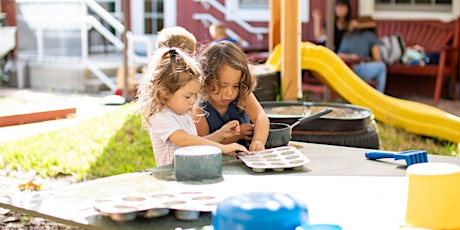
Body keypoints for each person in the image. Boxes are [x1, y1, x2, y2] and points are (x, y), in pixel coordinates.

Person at [137, 47, 249, 166]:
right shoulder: (161, 116)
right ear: (165, 94)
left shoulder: (182, 114)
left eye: (196, 95)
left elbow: (195, 144)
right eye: (188, 96)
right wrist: (222, 148)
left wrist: (220, 135)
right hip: (172, 178)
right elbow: (184, 140)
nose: (193, 100)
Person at [193, 41, 270, 151]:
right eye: (223, 86)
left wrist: (258, 141)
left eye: (236, 85)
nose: (229, 93)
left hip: (246, 157)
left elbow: (260, 116)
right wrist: (237, 136)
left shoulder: (242, 94)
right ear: (207, 80)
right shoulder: (200, 110)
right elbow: (204, 143)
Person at [336, 16, 387, 93]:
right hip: (357, 69)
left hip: (342, 69)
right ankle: (379, 96)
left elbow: (339, 54)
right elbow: (378, 59)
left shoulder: (347, 35)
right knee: (381, 67)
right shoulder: (370, 36)